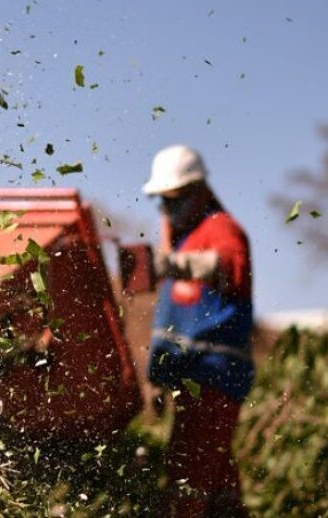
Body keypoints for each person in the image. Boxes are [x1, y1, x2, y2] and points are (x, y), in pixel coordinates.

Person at [143, 144, 254, 516]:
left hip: (215, 378)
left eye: (175, 200)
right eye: (164, 202)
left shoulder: (222, 229)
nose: (169, 210)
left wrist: (170, 264)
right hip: (189, 380)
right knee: (219, 488)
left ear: (199, 190)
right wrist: (158, 377)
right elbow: (171, 321)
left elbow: (226, 266)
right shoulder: (183, 239)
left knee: (186, 482)